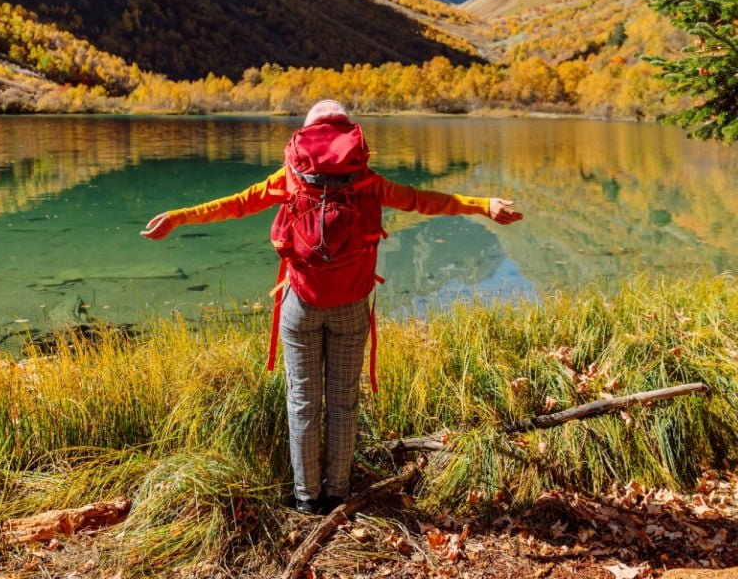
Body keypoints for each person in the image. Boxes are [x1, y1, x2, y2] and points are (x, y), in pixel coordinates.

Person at [141, 100, 522, 515]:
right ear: (348, 138)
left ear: (306, 137)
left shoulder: (291, 178)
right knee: (342, 401)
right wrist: (483, 204)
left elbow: (235, 203)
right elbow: (423, 200)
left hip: (300, 303)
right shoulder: (367, 182)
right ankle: (338, 492)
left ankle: (307, 498)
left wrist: (178, 217)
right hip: (352, 305)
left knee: (302, 400)